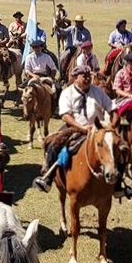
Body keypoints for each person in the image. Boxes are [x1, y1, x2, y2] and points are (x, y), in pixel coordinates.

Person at [34, 65, 118, 194]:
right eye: (84, 76)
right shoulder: (67, 92)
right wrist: (81, 127)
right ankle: (48, 178)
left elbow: (112, 108)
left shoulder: (98, 91)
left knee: (119, 147)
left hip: (98, 129)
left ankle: (119, 184)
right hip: (74, 128)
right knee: (53, 143)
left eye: (89, 76)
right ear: (75, 78)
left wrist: (111, 125)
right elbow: (65, 116)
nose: (88, 79)